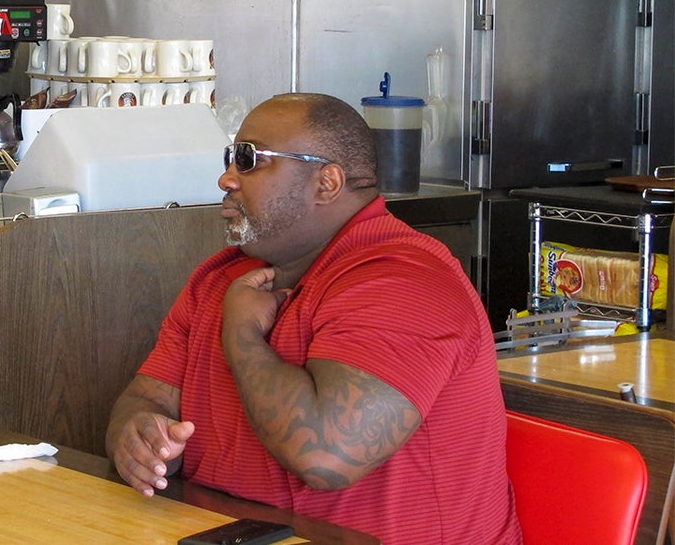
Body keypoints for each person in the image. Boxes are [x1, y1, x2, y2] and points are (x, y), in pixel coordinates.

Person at [106, 93, 521, 544]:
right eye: (231, 158)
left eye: (249, 160)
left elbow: (327, 456)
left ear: (326, 183)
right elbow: (147, 398)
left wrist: (243, 337)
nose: (226, 179)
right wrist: (139, 440)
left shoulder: (405, 282)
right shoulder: (221, 278)